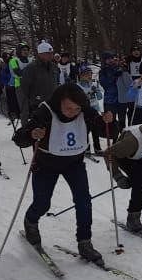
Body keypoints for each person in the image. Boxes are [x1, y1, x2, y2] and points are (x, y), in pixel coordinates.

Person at [12, 83, 114, 262]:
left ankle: (84, 241)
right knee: (42, 203)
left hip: (74, 163)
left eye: (77, 109)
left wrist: (109, 122)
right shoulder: (45, 112)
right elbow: (19, 137)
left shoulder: (85, 112)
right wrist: (32, 135)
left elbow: (108, 132)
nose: (73, 112)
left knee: (84, 202)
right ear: (59, 102)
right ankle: (30, 221)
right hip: (46, 163)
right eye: (68, 108)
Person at [18, 41, 60, 122]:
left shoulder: (53, 67)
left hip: (52, 102)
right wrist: (34, 98)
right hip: (38, 103)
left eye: (51, 53)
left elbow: (56, 82)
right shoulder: (31, 68)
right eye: (48, 53)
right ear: (40, 54)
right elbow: (25, 86)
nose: (51, 55)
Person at [76, 65, 105, 154]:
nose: (89, 76)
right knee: (85, 130)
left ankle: (97, 148)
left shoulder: (93, 84)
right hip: (84, 111)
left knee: (95, 130)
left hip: (95, 109)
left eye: (90, 74)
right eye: (86, 74)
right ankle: (86, 148)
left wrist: (96, 90)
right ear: (81, 75)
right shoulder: (78, 86)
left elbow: (99, 97)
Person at [7, 44, 31, 121]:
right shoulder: (14, 61)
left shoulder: (31, 60)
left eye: (27, 50)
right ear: (19, 51)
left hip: (31, 86)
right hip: (20, 86)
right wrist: (29, 70)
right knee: (24, 109)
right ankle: (25, 127)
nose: (26, 52)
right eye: (23, 50)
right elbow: (18, 73)